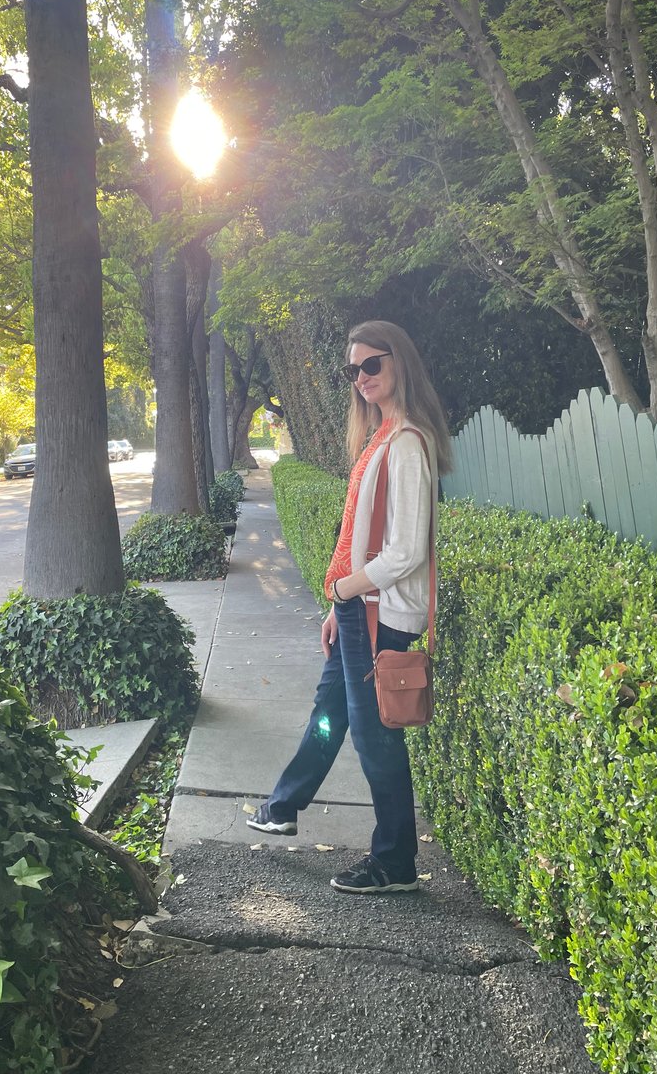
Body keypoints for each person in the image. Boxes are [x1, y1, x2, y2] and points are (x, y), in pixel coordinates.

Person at [248, 321, 453, 894]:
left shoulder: (408, 442)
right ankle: (284, 806)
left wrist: (344, 592)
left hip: (378, 612)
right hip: (354, 608)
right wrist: (333, 603)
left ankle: (395, 863)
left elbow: (407, 552)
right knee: (329, 711)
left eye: (372, 365)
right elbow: (351, 539)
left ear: (399, 364)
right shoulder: (380, 438)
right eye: (352, 370)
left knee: (374, 735)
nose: (361, 377)